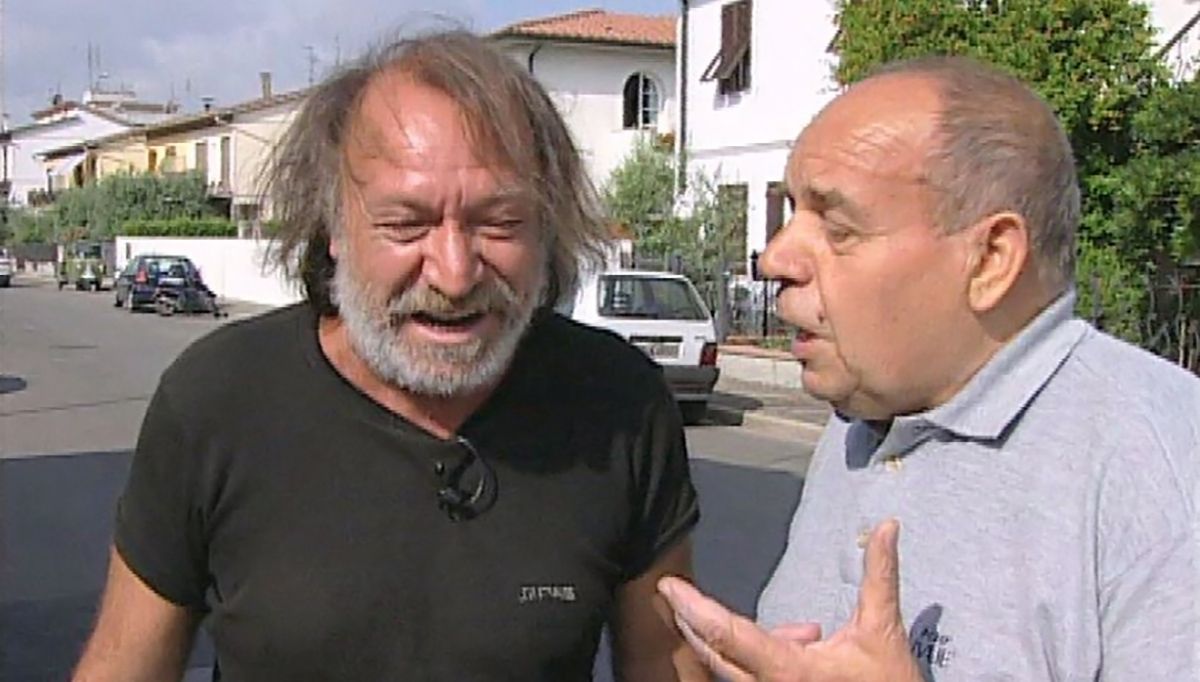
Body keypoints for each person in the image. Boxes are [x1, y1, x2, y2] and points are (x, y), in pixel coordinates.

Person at [73, 30, 708, 682]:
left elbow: (669, 666)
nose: (455, 275)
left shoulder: (621, 407)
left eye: (499, 223)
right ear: (335, 227)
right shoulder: (216, 403)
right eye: (406, 225)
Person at [658, 55, 1199, 681]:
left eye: (838, 228)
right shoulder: (865, 417)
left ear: (990, 258)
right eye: (792, 214)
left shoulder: (1161, 467)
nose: (775, 259)